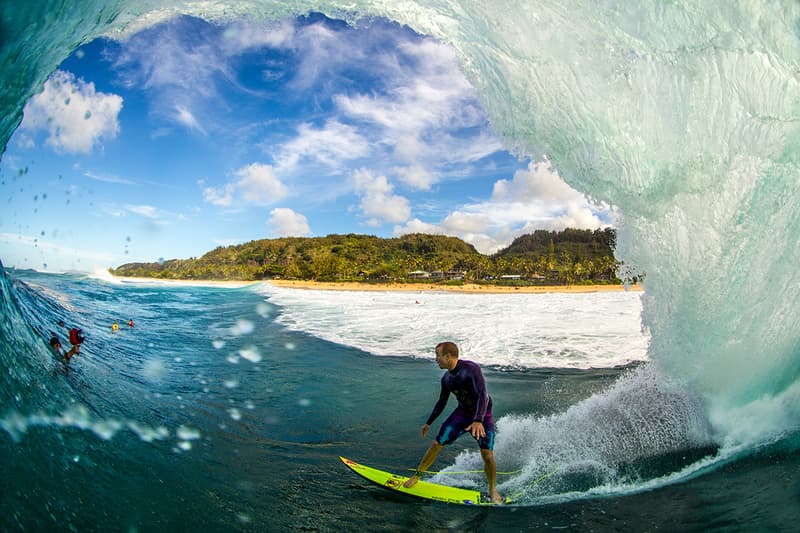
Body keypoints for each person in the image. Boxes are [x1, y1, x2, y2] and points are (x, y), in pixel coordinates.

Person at [404, 341, 502, 503]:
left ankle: (492, 489)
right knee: (436, 443)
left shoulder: (472, 370)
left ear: (448, 356)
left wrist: (478, 420)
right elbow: (441, 402)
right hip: (462, 414)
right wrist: (429, 422)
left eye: (438, 355)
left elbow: (483, 395)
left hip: (482, 415)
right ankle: (417, 476)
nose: (436, 359)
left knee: (487, 454)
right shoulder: (447, 378)